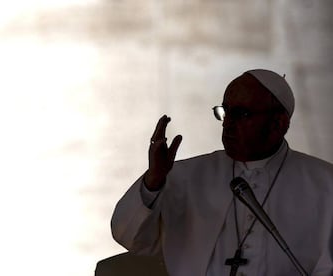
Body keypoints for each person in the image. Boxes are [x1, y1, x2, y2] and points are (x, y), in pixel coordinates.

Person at [110, 69, 333, 276]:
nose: (227, 123)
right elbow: (130, 237)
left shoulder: (325, 184)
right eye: (225, 112)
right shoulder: (186, 175)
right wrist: (153, 181)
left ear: (278, 123)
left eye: (241, 114)